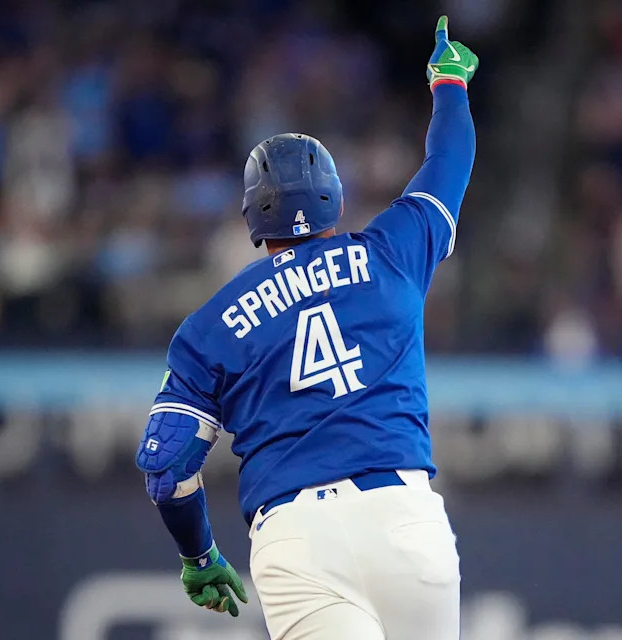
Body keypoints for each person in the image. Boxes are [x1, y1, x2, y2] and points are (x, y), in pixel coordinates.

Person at [135, 15, 477, 639]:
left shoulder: (210, 326)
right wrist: (448, 81)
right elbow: (449, 160)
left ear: (251, 220)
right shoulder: (391, 252)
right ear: (336, 201)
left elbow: (168, 464)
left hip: (296, 539)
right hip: (403, 515)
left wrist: (199, 554)